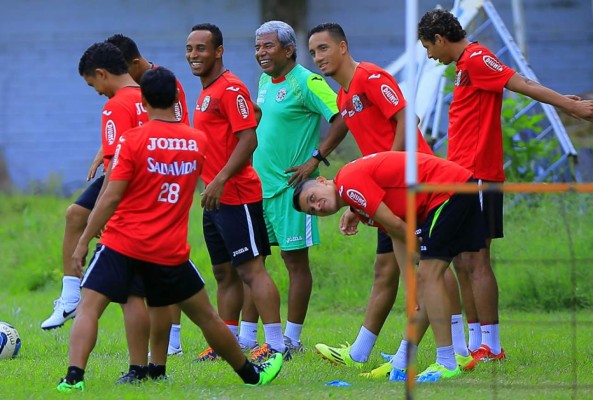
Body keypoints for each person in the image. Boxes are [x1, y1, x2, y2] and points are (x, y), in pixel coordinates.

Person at [56, 66, 283, 392]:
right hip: (168, 250)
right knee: (206, 317)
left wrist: (81, 243)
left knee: (89, 306)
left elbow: (111, 196)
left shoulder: (132, 140)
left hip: (121, 242)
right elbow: (246, 131)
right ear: (177, 98)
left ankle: (73, 379)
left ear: (144, 101)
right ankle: (251, 375)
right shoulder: (197, 141)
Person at [417, 8, 593, 363]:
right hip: (459, 176)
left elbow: (522, 83)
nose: (429, 55)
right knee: (463, 260)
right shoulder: (464, 65)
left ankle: (492, 346)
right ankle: (473, 341)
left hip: (479, 175)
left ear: (439, 38)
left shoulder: (479, 58)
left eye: (427, 47)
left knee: (478, 258)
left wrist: (567, 105)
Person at [307, 22, 467, 374]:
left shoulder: (370, 76)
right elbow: (364, 156)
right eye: (314, 52)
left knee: (429, 267)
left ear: (343, 47)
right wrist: (354, 201)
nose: (318, 57)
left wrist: (390, 168)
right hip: (381, 193)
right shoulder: (344, 97)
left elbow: (407, 118)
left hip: (411, 187)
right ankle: (364, 352)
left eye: (323, 48)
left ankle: (456, 349)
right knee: (390, 269)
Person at [293, 151, 487, 382]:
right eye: (312, 210)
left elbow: (395, 225)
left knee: (429, 275)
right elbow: (396, 233)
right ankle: (407, 361)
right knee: (427, 278)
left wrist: (417, 274)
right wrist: (410, 285)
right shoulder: (355, 203)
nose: (318, 207)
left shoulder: (348, 183)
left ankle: (446, 362)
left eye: (313, 198)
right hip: (453, 189)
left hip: (449, 190)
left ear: (323, 180)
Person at [234, 20, 349, 356]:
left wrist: (316, 159)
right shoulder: (265, 81)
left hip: (291, 191)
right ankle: (246, 337)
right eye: (257, 47)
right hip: (259, 188)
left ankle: (292, 339)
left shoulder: (307, 81)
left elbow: (342, 116)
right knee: (253, 264)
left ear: (288, 49)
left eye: (268, 46)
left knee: (294, 262)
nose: (261, 53)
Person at [186, 23, 287, 362]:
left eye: (201, 48)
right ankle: (230, 342)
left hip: (238, 195)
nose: (194, 55)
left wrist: (220, 180)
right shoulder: (207, 91)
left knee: (251, 270)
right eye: (190, 49)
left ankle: (276, 345)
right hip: (213, 199)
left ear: (219, 51)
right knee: (223, 272)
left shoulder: (231, 88)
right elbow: (242, 124)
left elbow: (249, 138)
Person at [106, 33, 189, 357]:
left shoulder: (163, 84)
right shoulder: (129, 95)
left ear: (135, 64)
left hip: (160, 183)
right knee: (159, 272)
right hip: (139, 178)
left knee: (166, 267)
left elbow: (174, 131)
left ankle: (172, 342)